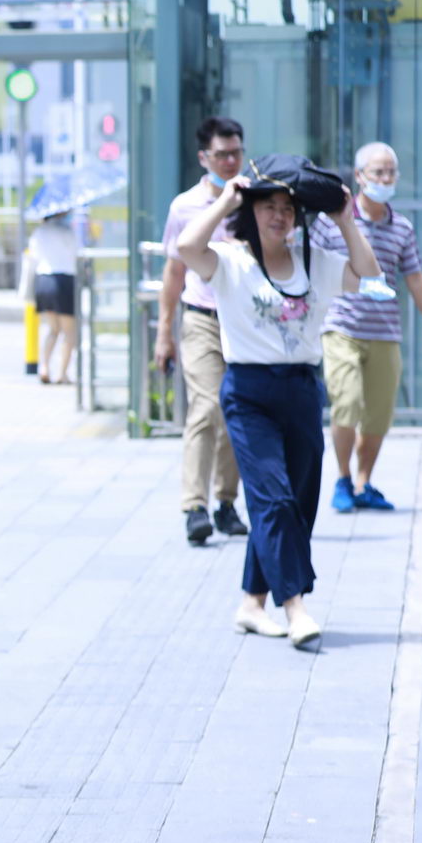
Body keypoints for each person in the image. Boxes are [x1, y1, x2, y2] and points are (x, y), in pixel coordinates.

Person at [174, 161, 381, 649]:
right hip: (248, 393)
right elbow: (187, 248)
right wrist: (228, 198)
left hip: (302, 391)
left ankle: (251, 602)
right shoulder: (230, 260)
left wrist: (346, 218)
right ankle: (296, 607)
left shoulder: (316, 260)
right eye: (269, 206)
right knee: (272, 498)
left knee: (299, 503)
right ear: (253, 211)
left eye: (288, 208)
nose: (280, 215)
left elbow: (368, 274)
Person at [309, 142, 422, 512]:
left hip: (385, 331)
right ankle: (341, 477)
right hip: (341, 327)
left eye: (391, 173)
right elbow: (306, 267)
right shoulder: (330, 222)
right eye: (378, 172)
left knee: (379, 414)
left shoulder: (401, 227)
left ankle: (363, 480)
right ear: (359, 177)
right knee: (347, 402)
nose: (385, 179)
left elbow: (415, 278)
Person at [156, 116, 250, 547]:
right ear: (204, 158)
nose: (231, 161)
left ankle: (226, 502)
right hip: (201, 320)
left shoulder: (256, 199)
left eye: (236, 153)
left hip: (245, 321)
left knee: (236, 411)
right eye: (222, 154)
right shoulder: (185, 206)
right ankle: (194, 505)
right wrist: (164, 332)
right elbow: (174, 271)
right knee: (207, 407)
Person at [21, 210, 79, 385]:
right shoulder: (66, 231)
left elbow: (33, 256)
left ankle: (44, 367)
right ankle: (63, 374)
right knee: (69, 332)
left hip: (43, 281)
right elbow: (77, 253)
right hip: (64, 280)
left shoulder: (39, 232)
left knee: (53, 329)